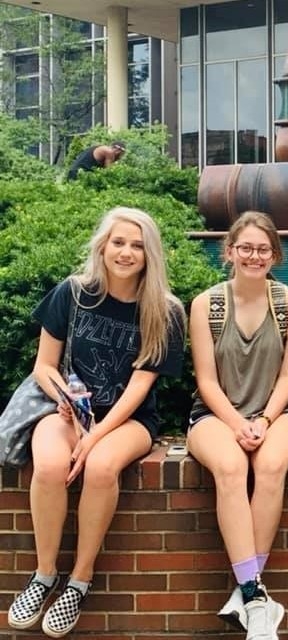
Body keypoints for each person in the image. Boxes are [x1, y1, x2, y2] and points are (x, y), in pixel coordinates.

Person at [6, 207, 185, 638]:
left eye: (138, 245)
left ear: (150, 254)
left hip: (128, 421)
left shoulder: (165, 311)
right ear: (102, 246)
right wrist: (65, 399)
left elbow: (140, 389)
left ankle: (79, 580)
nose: (126, 252)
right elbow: (44, 366)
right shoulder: (73, 293)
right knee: (49, 465)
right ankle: (44, 574)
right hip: (67, 410)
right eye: (118, 242)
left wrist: (93, 436)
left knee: (102, 466)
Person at [186, 211, 288, 640]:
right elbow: (206, 380)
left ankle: (246, 590)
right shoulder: (206, 305)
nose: (254, 256)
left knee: (272, 467)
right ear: (230, 252)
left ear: (274, 255)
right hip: (216, 415)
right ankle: (256, 595)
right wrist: (239, 423)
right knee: (232, 469)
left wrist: (265, 419)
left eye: (263, 249)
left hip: (278, 412)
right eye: (245, 248)